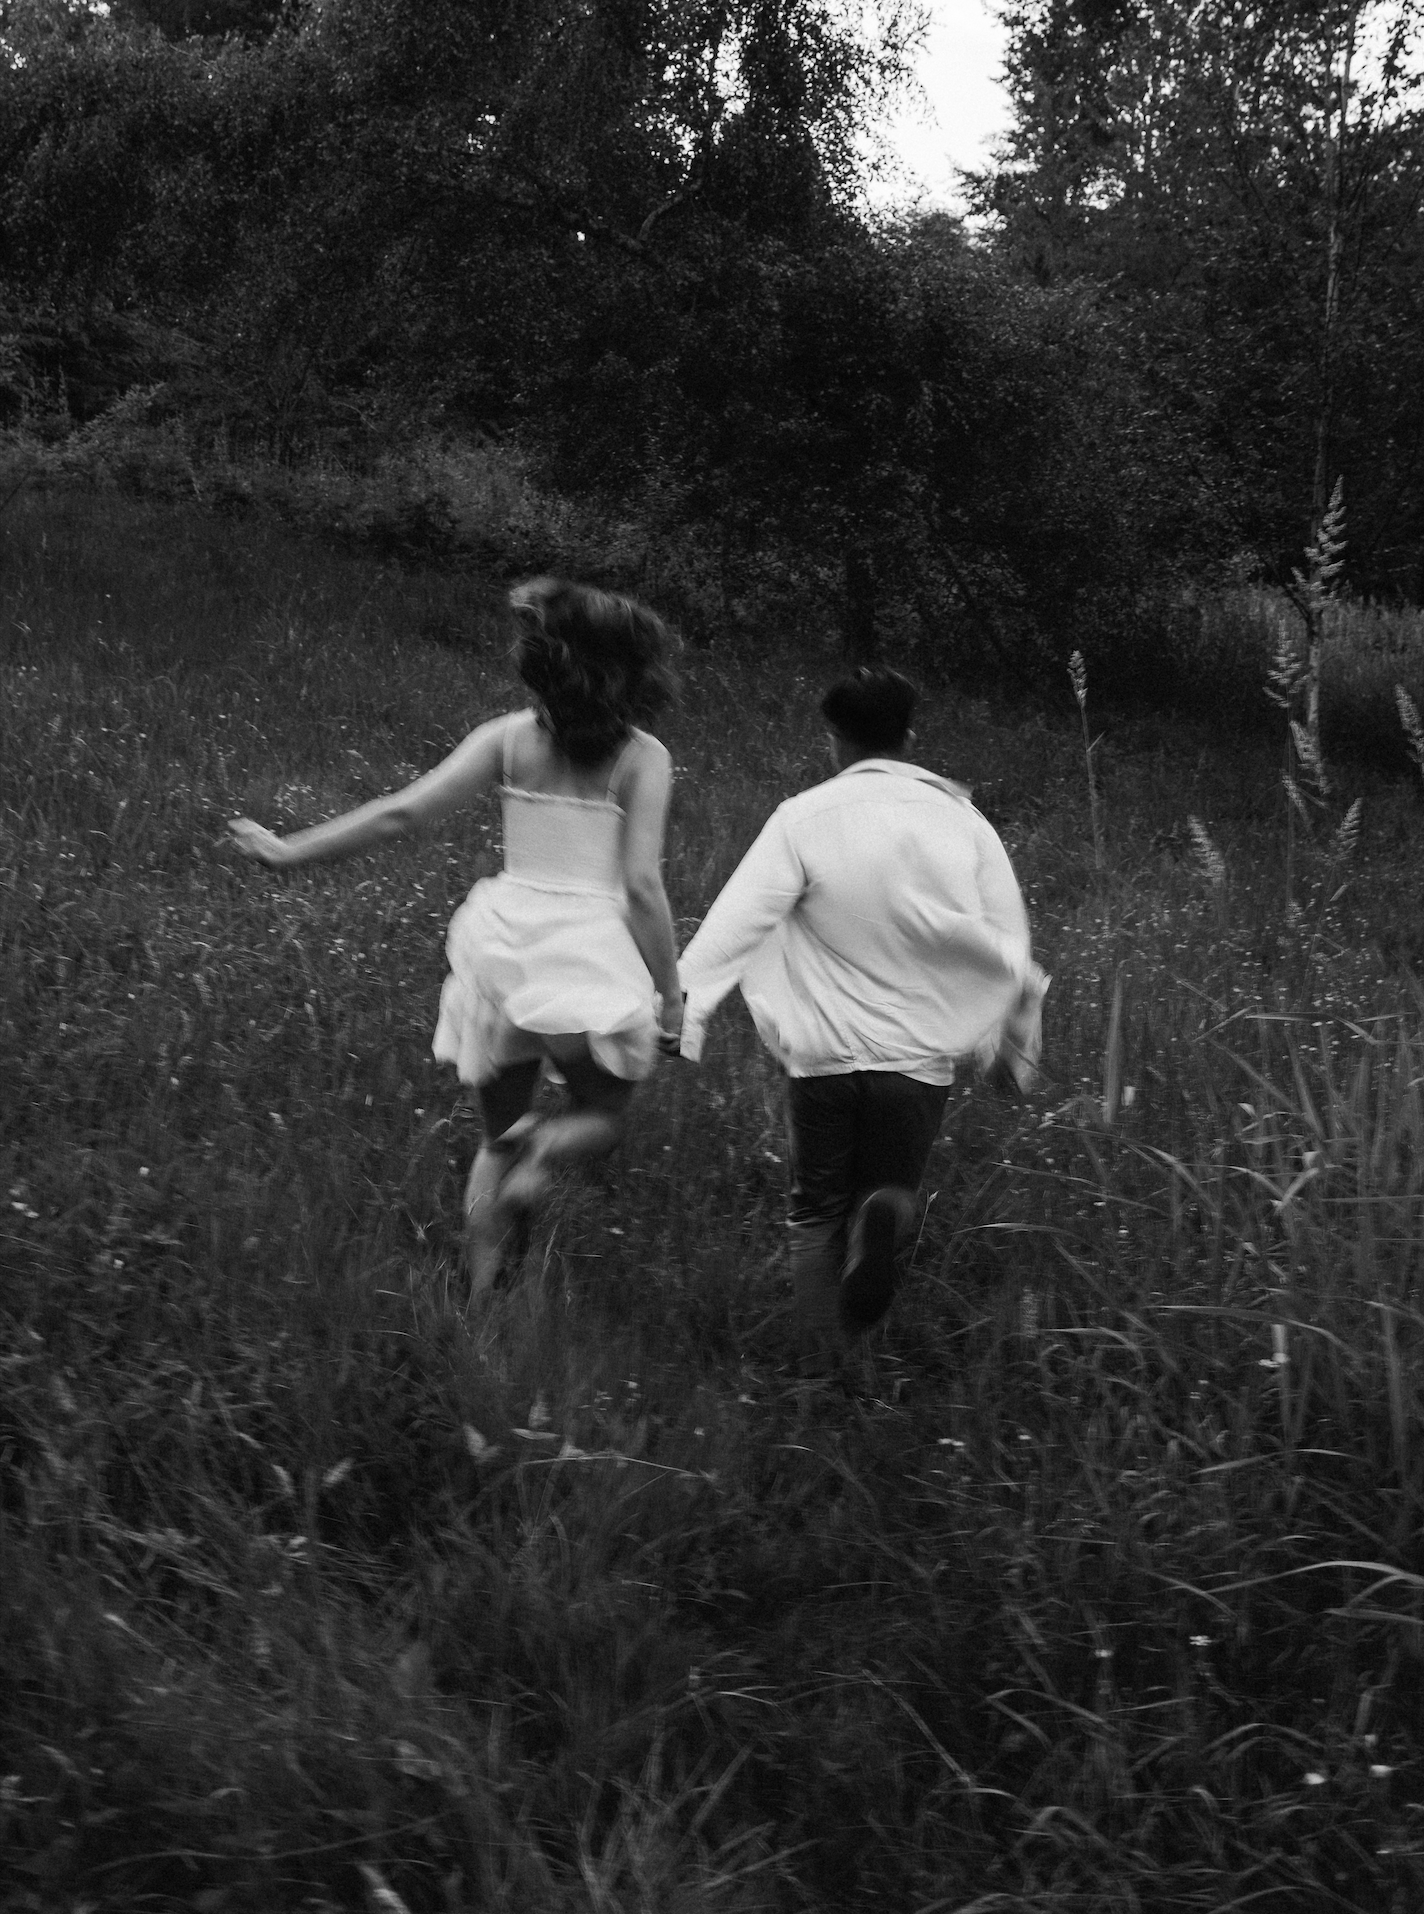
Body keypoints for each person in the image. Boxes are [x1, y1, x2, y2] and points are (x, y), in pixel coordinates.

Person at [229, 578, 683, 1299]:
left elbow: (400, 815)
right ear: (634, 670)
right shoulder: (642, 757)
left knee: (492, 1135)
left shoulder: (508, 739)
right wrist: (670, 995)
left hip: (502, 945)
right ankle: (545, 1150)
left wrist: (289, 850)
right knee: (601, 1113)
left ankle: (481, 1295)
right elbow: (640, 886)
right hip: (587, 953)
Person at [677, 665, 1046, 1373]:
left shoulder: (803, 818)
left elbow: (734, 925)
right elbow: (1008, 942)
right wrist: (1011, 1044)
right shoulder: (964, 822)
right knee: (889, 1190)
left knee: (817, 1206)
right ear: (908, 739)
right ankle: (879, 1248)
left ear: (835, 742)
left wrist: (681, 1018)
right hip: (918, 1059)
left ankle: (821, 1365)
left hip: (824, 1055)